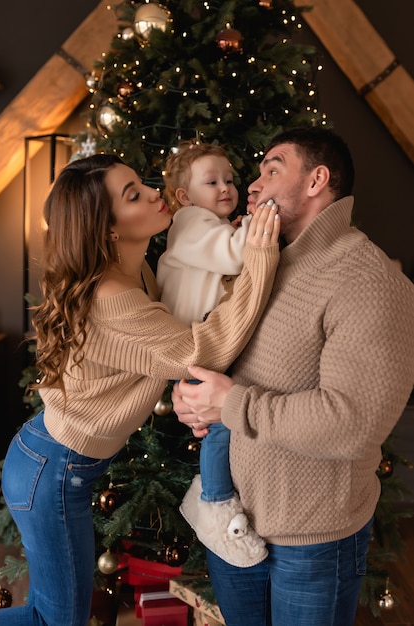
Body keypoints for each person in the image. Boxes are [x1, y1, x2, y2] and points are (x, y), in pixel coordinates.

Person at [0, 153, 280, 626]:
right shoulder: (112, 298)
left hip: (52, 463)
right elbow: (201, 347)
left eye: (142, 184)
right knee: (54, 620)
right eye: (134, 195)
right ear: (107, 228)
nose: (155, 193)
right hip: (52, 471)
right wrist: (260, 256)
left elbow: (163, 348)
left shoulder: (135, 272)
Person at [172, 126, 414, 626]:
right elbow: (230, 357)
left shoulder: (366, 277)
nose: (253, 186)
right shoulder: (266, 260)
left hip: (312, 540)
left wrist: (232, 403)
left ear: (316, 180)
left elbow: (353, 422)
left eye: (272, 169)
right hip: (236, 529)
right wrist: (196, 398)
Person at [157, 140, 277, 568]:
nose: (226, 187)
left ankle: (215, 495)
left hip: (205, 349)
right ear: (184, 198)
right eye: (212, 182)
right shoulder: (190, 223)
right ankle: (216, 501)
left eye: (229, 178)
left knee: (219, 424)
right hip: (192, 351)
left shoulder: (209, 223)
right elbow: (232, 256)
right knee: (220, 427)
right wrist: (260, 221)